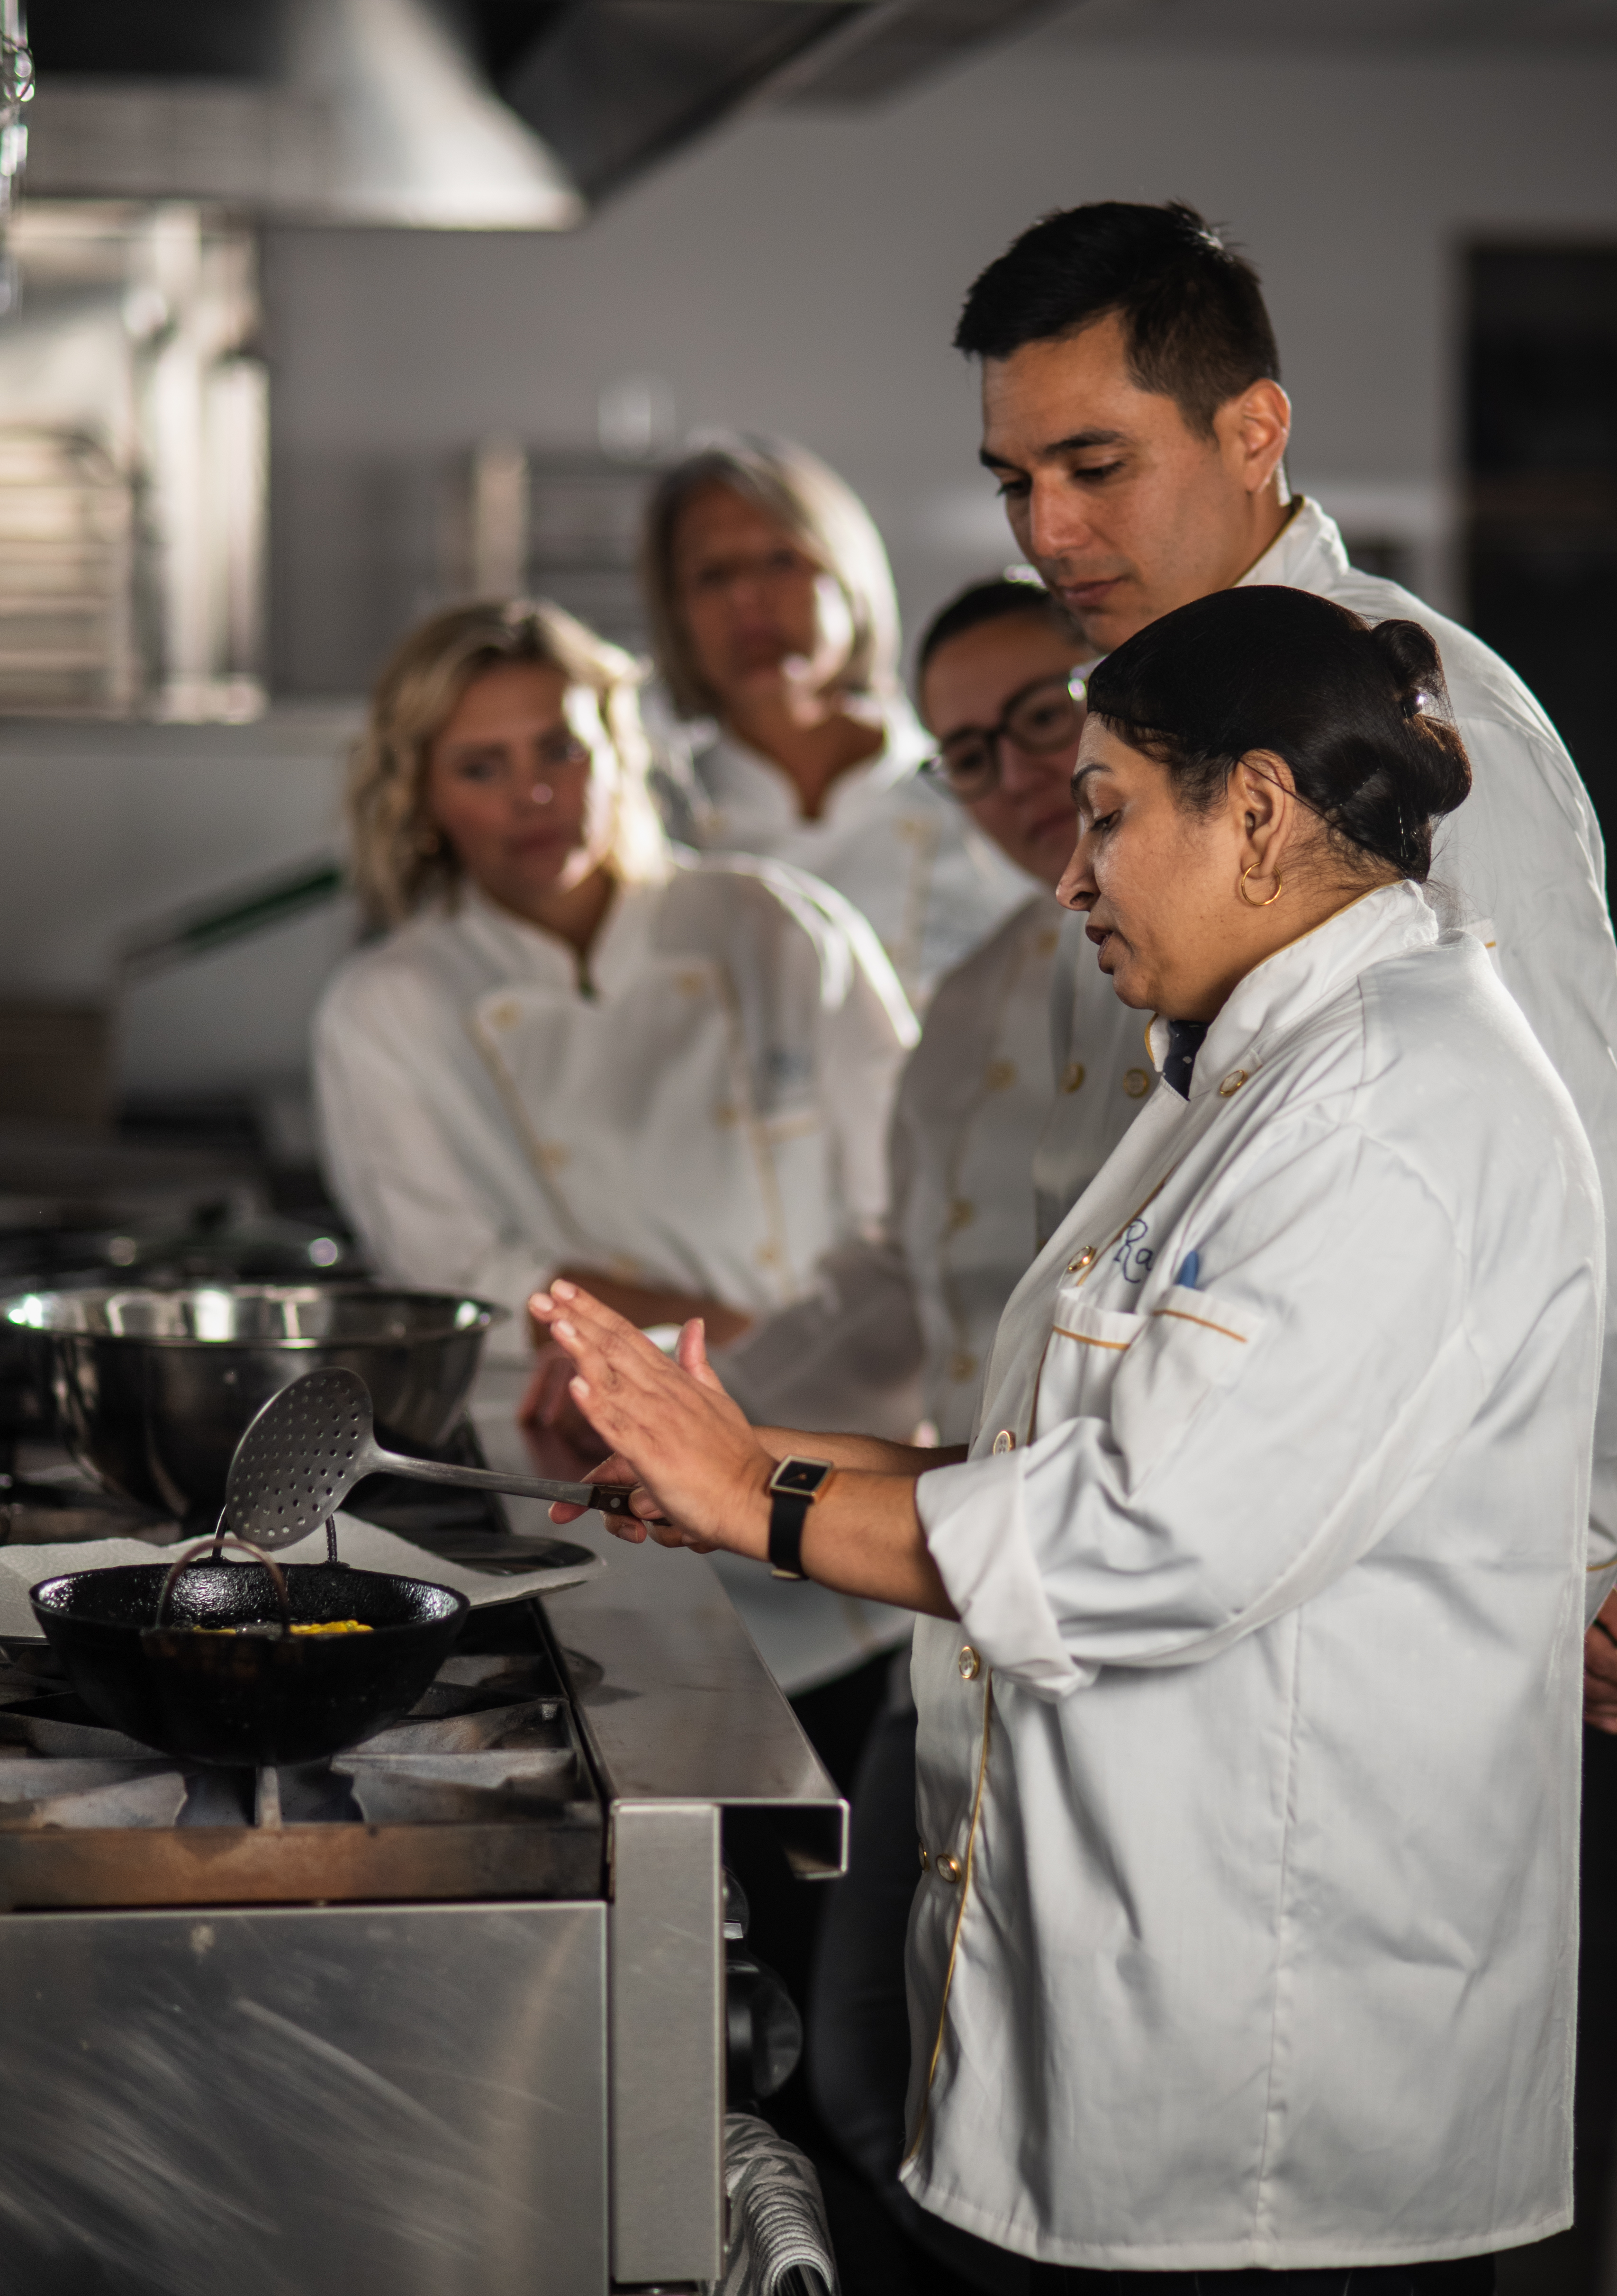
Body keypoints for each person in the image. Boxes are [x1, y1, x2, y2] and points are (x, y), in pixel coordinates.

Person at [536, 586, 1600, 2286]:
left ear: (1253, 809)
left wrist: (755, 1491)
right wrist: (746, 1464)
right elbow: (1059, 1443)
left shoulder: (1395, 1110)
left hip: (1276, 2080)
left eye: (1105, 811)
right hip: (1151, 2000)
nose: (1067, 870)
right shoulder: (1258, 1073)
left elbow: (1141, 1531)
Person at [954, 200, 1617, 1621]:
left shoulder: (1418, 722)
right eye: (1015, 481)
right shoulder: (1142, 708)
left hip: (1379, 1561)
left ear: (1254, 431)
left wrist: (1591, 1540)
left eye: (1094, 466)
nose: (1049, 532)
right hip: (1138, 1526)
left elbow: (1566, 1137)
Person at [312, 596, 918, 1698]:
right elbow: (468, 1277)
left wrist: (753, 1375)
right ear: (420, 795)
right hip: (595, 1518)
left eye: (558, 747)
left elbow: (908, 1214)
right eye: (480, 766)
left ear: (619, 747)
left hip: (859, 1511)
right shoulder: (389, 1003)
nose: (534, 794)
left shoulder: (781, 927)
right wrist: (715, 1357)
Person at [714, 573, 1146, 1448]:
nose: (1015, 776)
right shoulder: (966, 1003)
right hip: (977, 1515)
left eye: (1039, 717)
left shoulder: (1208, 969)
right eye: (968, 755)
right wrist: (708, 1398)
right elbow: (908, 1279)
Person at [641, 434, 1030, 1009]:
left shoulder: (989, 794)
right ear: (674, 613)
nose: (747, 598)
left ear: (849, 577)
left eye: (780, 560)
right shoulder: (651, 830)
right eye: (712, 575)